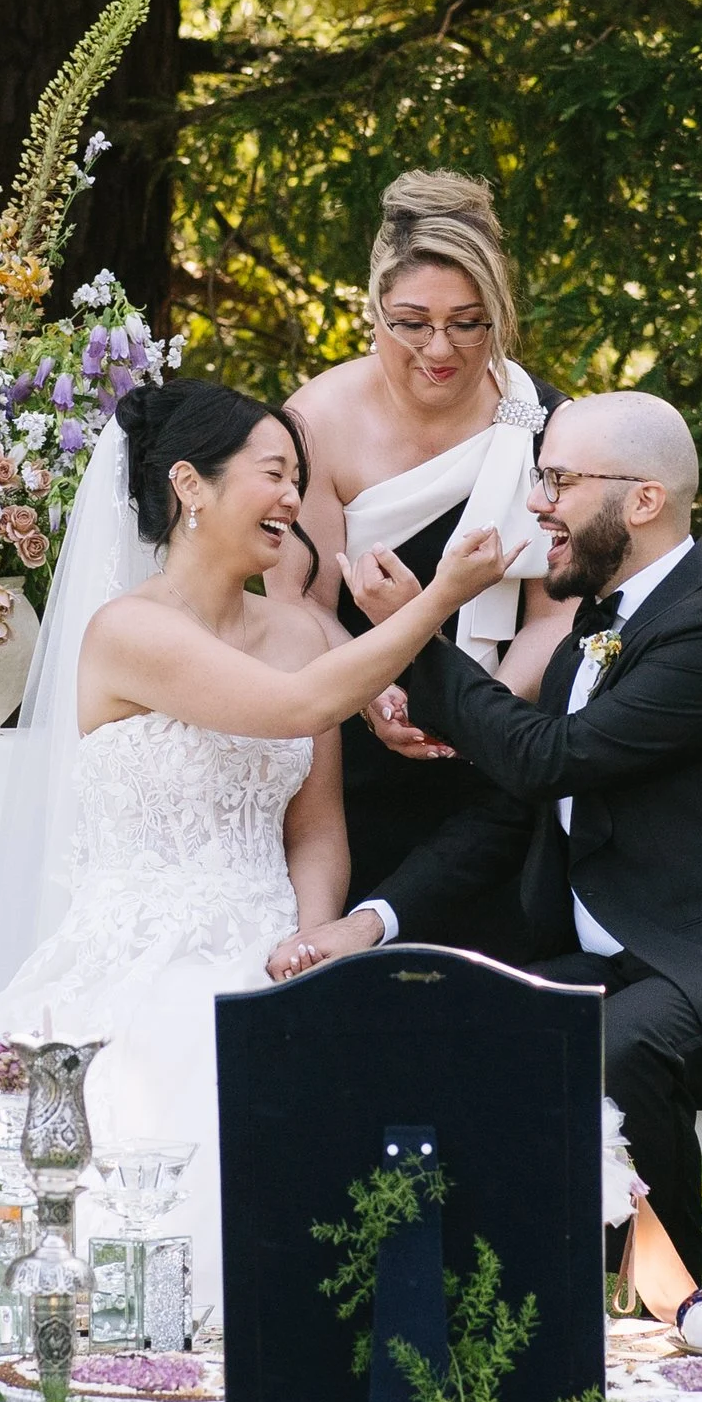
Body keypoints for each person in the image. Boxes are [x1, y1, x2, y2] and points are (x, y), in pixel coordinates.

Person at [0, 379, 511, 1324]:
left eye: (300, 478)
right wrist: (439, 601)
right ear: (189, 484)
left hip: (271, 946)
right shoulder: (129, 632)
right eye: (273, 474)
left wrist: (313, 953)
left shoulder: (303, 629)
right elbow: (300, 707)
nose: (293, 501)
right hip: (137, 956)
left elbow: (315, 829)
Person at [273, 392, 702, 1277]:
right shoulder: (594, 630)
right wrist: (370, 919)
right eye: (540, 478)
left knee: (614, 1041)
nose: (537, 502)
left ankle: (666, 1308)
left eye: (559, 480)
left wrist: (414, 633)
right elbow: (508, 810)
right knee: (459, 1014)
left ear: (642, 501)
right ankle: (476, 1290)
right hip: (636, 964)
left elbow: (548, 757)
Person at [268, 170, 575, 960]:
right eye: (412, 323)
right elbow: (296, 604)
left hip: (502, 760)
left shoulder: (542, 423)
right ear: (373, 311)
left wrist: (476, 716)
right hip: (356, 751)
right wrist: (378, 696)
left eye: (469, 325)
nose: (440, 349)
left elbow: (556, 614)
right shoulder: (318, 423)